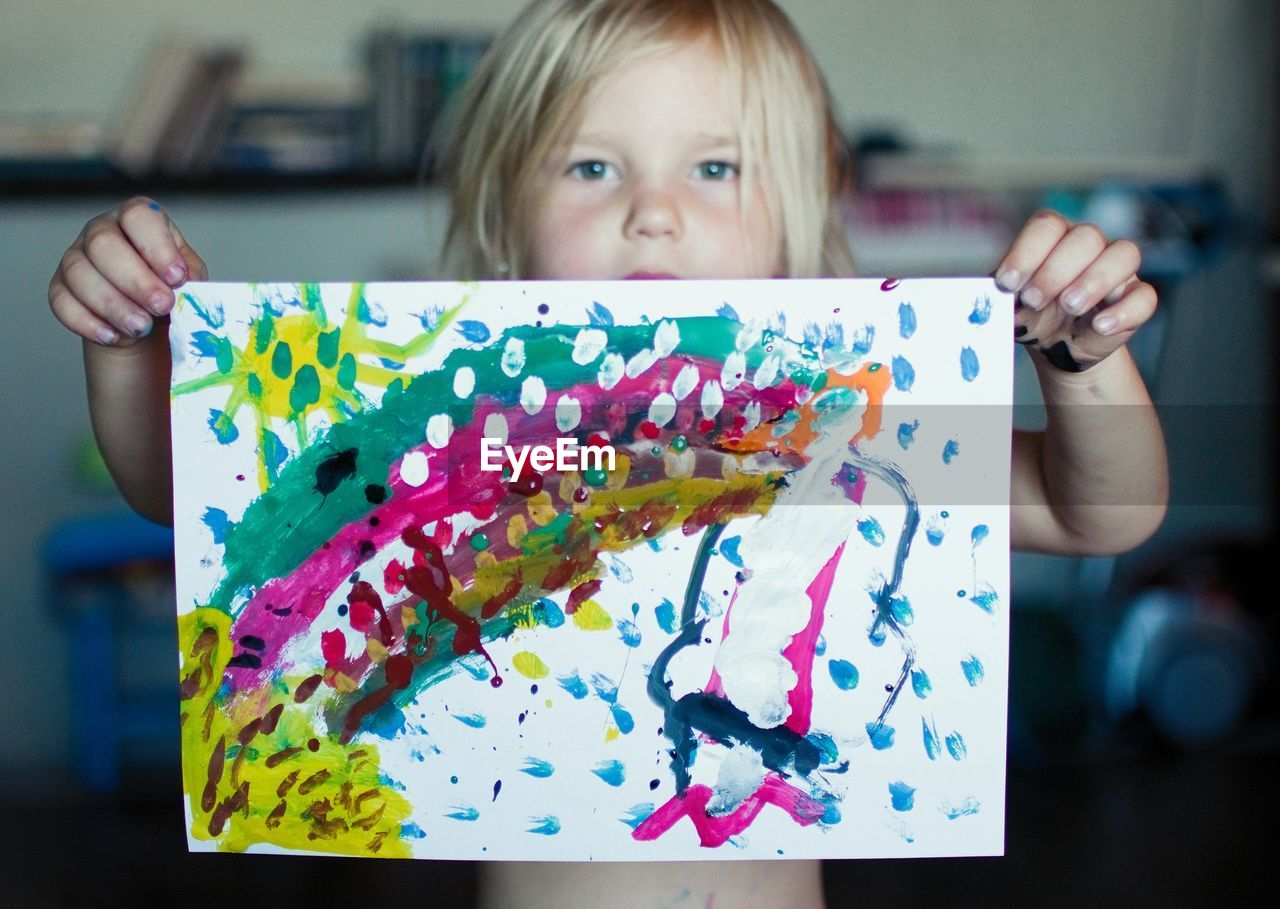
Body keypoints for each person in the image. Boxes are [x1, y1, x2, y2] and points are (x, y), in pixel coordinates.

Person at [47, 0, 1168, 905]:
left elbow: (1098, 516)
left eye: (715, 169)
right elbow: (185, 492)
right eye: (591, 167)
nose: (652, 213)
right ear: (502, 214)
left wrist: (1079, 361)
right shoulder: (465, 430)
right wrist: (127, 347)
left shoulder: (832, 434)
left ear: (797, 221)